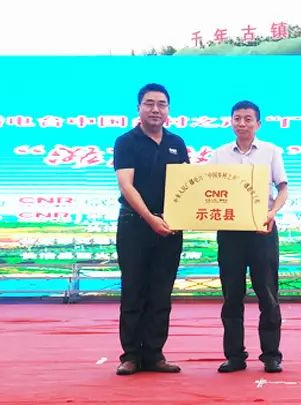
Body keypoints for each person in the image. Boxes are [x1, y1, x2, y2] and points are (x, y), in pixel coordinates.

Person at [113, 83, 189, 375]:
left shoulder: (177, 143)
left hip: (170, 227)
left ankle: (155, 354)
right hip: (135, 225)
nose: (156, 109)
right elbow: (126, 186)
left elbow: (187, 187)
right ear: (139, 108)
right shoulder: (126, 142)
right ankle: (131, 356)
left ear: (168, 110)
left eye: (161, 104)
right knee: (134, 290)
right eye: (149, 103)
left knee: (161, 292)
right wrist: (150, 218)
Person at [209, 100, 288, 373]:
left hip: (261, 230)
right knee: (232, 295)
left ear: (258, 124)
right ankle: (234, 356)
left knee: (267, 294)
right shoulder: (219, 154)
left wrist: (272, 212)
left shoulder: (271, 151)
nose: (242, 123)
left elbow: (283, 188)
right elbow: (208, 191)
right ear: (231, 122)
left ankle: (271, 355)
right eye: (237, 118)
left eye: (248, 119)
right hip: (230, 233)